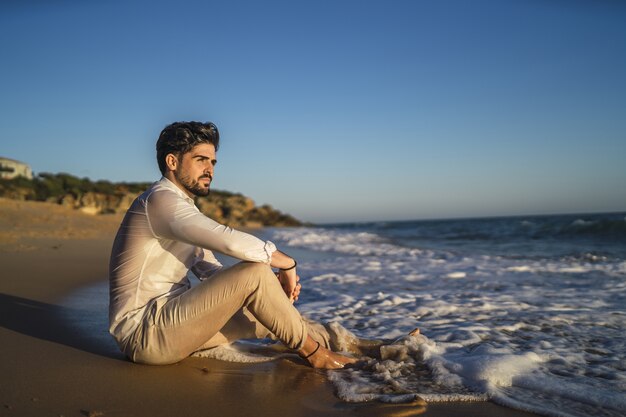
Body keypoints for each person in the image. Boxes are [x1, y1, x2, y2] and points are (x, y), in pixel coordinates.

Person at [108, 121, 357, 369]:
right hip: (145, 335)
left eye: (213, 162)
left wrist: (269, 289)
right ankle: (316, 355)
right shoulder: (159, 201)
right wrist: (287, 264)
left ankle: (363, 348)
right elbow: (229, 240)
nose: (210, 169)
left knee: (267, 313)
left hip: (173, 324)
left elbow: (211, 272)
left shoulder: (182, 209)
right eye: (200, 160)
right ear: (172, 162)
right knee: (255, 272)